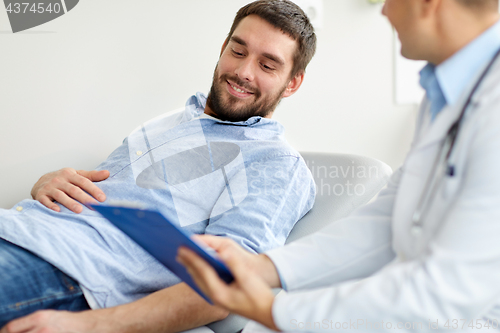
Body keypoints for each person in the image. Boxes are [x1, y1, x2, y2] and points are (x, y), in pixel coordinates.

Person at [178, 0, 500, 331]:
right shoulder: (444, 94)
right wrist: (260, 267)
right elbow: (385, 222)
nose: (385, 11)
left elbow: (443, 293)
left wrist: (274, 311)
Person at [0, 1, 317, 332]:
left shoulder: (277, 163)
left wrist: (92, 326)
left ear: (292, 83)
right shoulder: (170, 122)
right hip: (19, 226)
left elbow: (226, 285)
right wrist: (47, 183)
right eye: (238, 52)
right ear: (223, 49)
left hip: (66, 269)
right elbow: (104, 194)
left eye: (267, 66)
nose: (244, 72)